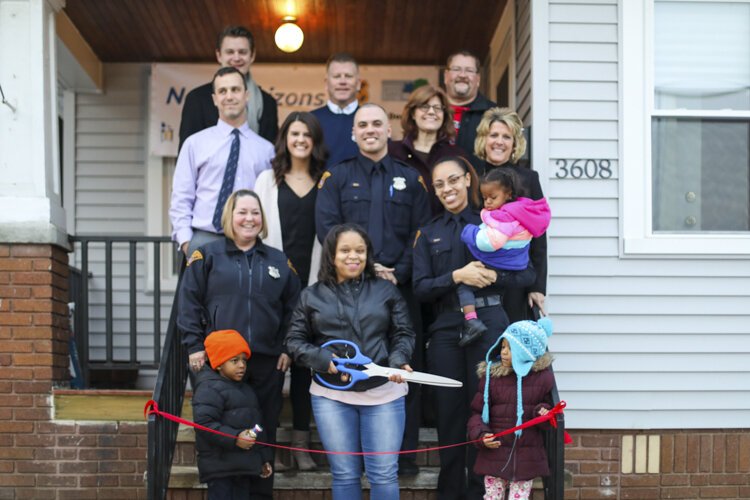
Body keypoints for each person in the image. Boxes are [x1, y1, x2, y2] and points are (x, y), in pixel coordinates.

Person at [178, 189, 300, 498]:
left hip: (265, 364)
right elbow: (189, 302)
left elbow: (294, 309)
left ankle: (259, 489)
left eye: (255, 212)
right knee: (223, 427)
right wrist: (194, 345)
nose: (249, 218)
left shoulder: (279, 261)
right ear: (230, 217)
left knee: (261, 429)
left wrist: (287, 346)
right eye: (242, 212)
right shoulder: (207, 255)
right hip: (218, 365)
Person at [285, 223, 416, 500]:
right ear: (332, 255)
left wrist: (398, 360)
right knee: (344, 474)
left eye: (360, 250)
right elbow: (294, 341)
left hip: (384, 392)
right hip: (331, 394)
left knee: (383, 474)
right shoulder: (311, 295)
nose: (353, 256)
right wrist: (320, 358)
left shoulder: (387, 291)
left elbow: (403, 332)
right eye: (345, 250)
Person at [412, 156, 510, 500]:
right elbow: (420, 287)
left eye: (453, 180)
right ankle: (450, 492)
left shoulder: (494, 225)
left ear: (468, 180)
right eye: (439, 185)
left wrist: (494, 276)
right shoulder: (428, 232)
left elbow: (522, 271)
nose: (447, 189)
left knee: (485, 410)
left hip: (488, 323)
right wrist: (457, 276)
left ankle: (483, 492)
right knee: (450, 413)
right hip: (446, 331)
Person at [255, 111, 329, 471]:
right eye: (294, 133)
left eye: (307, 134)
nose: (300, 140)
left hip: (315, 285)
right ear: (284, 138)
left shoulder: (325, 181)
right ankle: (266, 446)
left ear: (315, 141)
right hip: (274, 286)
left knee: (304, 367)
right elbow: (254, 231)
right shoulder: (266, 180)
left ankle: (301, 445)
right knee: (271, 365)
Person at [315, 103, 430, 287]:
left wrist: (398, 273)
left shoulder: (411, 178)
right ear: (354, 133)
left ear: (389, 130)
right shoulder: (336, 177)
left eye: (377, 124)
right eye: (363, 125)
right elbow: (327, 230)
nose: (370, 130)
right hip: (348, 282)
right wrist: (364, 267)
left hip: (399, 284)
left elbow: (421, 231)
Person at [170, 67, 274, 257]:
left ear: (246, 95)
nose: (229, 96)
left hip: (250, 242)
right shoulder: (195, 144)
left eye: (235, 90)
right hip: (204, 240)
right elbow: (181, 196)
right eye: (222, 91)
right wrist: (186, 242)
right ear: (214, 99)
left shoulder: (266, 150)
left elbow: (269, 200)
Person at [457, 168, 551, 347]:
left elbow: (491, 242)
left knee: (464, 287)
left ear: (508, 194)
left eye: (493, 198)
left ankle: (471, 321)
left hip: (504, 267)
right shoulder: (519, 210)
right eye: (485, 198)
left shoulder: (505, 216)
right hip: (515, 264)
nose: (488, 202)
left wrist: (469, 231)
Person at [467, 318, 555, 500]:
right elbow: (477, 414)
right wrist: (482, 436)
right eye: (503, 347)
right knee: (491, 497)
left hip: (526, 458)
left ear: (526, 352)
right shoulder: (492, 378)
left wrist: (542, 412)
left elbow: (547, 412)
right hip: (495, 454)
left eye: (510, 348)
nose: (504, 352)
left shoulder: (542, 379)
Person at [474, 107, 547, 322]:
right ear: (483, 139)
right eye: (494, 135)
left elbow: (539, 235)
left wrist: (537, 287)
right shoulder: (471, 176)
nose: (499, 141)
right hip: (480, 274)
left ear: (514, 144)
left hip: (518, 276)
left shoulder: (529, 179)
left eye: (507, 137)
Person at [192, 329, 272, 499]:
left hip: (243, 468)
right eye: (234, 360)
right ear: (219, 364)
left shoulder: (247, 390)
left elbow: (257, 427)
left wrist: (263, 459)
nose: (242, 365)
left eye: (244, 360)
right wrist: (235, 438)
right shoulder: (209, 388)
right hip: (220, 469)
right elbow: (204, 424)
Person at [179, 25, 278, 150]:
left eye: (242, 52)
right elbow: (186, 153)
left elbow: (272, 156)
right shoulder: (197, 99)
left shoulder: (268, 103)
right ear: (219, 55)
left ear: (252, 56)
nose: (236, 58)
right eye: (230, 52)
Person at [389, 84, 466, 215]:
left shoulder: (456, 155)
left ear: (444, 115)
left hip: (444, 231)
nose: (431, 112)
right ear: (413, 113)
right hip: (401, 231)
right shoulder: (393, 152)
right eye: (424, 107)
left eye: (437, 108)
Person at [443, 50, 497, 172]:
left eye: (469, 70)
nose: (462, 75)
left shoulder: (495, 114)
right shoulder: (431, 113)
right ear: (446, 76)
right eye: (456, 69)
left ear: (478, 78)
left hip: (479, 188)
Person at [311, 53, 361, 167]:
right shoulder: (311, 120)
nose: (342, 81)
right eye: (336, 76)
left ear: (358, 84)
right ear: (326, 83)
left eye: (348, 76)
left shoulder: (373, 120)